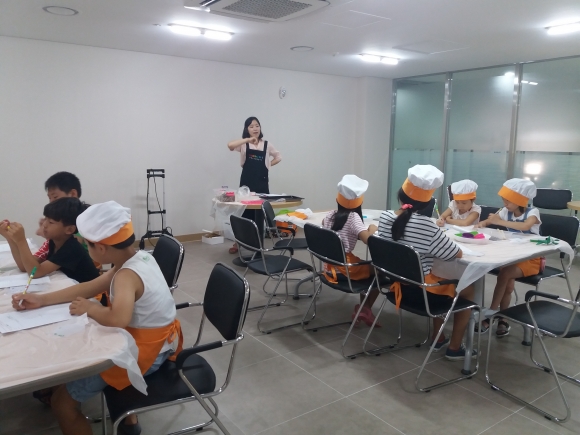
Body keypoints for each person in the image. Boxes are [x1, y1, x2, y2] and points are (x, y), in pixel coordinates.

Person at [12, 201, 183, 435]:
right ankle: (128, 420)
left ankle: (117, 413)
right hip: (160, 342)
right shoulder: (139, 257)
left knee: (61, 403)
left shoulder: (126, 275)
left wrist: (90, 309)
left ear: (100, 248)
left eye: (87, 245)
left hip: (148, 352)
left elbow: (118, 319)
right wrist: (42, 300)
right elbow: (90, 286)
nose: (86, 250)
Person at [378, 165, 476, 360]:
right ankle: (455, 347)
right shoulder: (427, 227)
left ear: (400, 195)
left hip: (397, 286)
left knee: (440, 276)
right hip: (421, 292)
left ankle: (439, 337)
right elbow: (455, 253)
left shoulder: (385, 217)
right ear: (427, 203)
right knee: (467, 288)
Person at [474, 178, 540, 337]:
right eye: (504, 200)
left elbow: (525, 226)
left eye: (508, 200)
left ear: (520, 200)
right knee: (508, 287)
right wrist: (482, 224)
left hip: (531, 259)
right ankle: (503, 319)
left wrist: (500, 222)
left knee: (505, 274)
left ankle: (491, 313)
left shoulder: (533, 212)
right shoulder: (505, 212)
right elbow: (490, 220)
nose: (505, 203)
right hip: (512, 255)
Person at [321, 175, 380, 326]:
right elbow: (368, 240)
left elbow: (327, 226)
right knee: (380, 270)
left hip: (328, 267)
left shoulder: (330, 215)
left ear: (338, 199)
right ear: (360, 201)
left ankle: (364, 308)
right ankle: (365, 308)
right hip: (345, 268)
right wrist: (372, 229)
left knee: (366, 266)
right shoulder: (353, 217)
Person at [0, 198, 100, 283]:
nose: (44, 224)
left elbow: (35, 272)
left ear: (69, 229)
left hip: (94, 296)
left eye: (51, 222)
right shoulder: (53, 242)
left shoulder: (72, 248)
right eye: (46, 219)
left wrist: (21, 241)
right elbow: (24, 266)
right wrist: (10, 238)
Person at [227, 116, 281, 253]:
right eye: (251, 126)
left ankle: (258, 243)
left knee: (260, 213)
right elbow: (230, 145)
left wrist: (268, 166)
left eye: (257, 125)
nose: (255, 128)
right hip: (247, 182)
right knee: (244, 212)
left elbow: (278, 157)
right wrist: (247, 139)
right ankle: (239, 242)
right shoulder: (244, 144)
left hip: (262, 182)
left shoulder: (267, 144)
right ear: (247, 129)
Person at [34, 172, 83, 261]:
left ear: (73, 194)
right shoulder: (58, 215)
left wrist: (47, 233)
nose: (51, 202)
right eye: (50, 198)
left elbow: (74, 247)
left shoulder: (81, 217)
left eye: (55, 197)